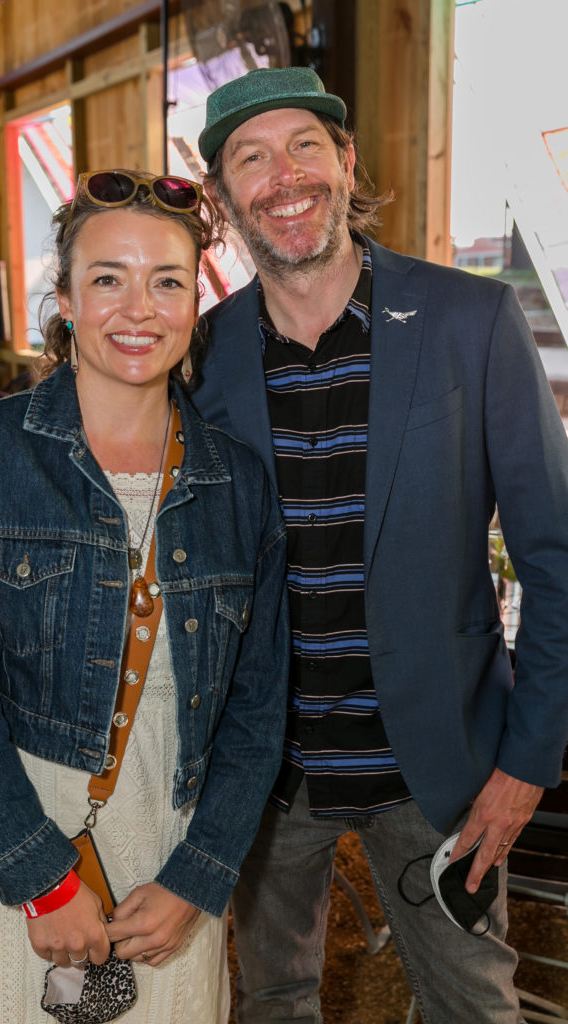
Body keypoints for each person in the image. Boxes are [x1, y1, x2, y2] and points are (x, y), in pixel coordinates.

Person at [190, 66, 568, 1023]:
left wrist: (527, 765)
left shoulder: (470, 320)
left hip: (439, 766)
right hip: (266, 770)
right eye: (251, 157)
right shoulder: (199, 355)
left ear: (346, 161)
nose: (283, 175)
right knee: (267, 1001)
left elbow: (555, 559)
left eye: (304, 146)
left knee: (472, 1006)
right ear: (224, 196)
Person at [0, 168, 289, 1024]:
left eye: (168, 281)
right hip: (15, 820)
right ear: (66, 296)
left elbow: (258, 709)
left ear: (198, 300)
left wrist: (201, 873)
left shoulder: (240, 486)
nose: (138, 309)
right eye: (108, 278)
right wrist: (40, 876)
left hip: (172, 837)